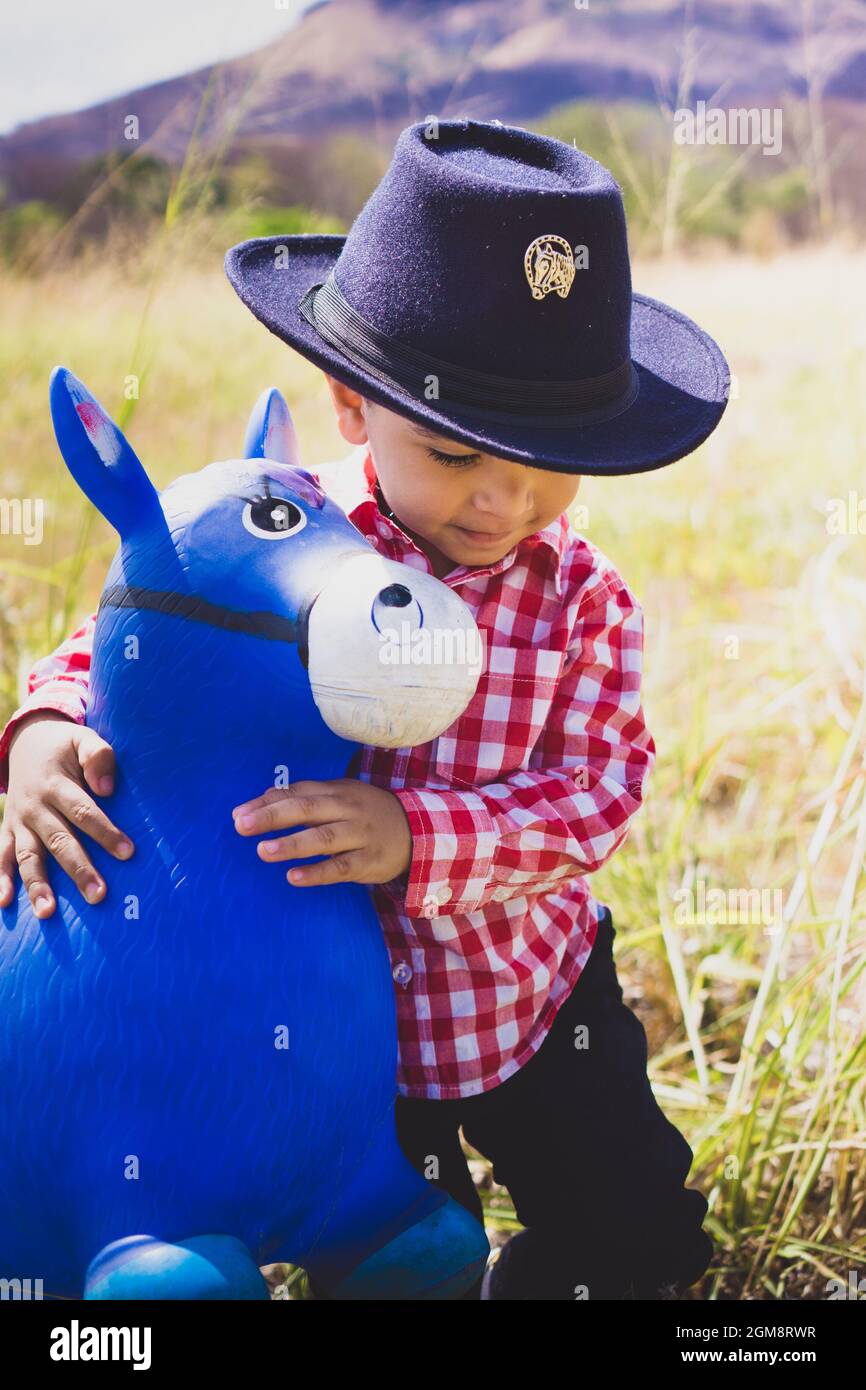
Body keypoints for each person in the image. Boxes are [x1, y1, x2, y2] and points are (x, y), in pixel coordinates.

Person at [0, 118, 729, 1300]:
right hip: (341, 1023)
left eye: (547, 461)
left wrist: (415, 839)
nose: (502, 497)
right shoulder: (294, 532)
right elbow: (143, 639)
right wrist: (42, 729)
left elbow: (601, 793)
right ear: (351, 405)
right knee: (393, 1247)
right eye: (451, 450)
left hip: (526, 995)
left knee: (636, 1234)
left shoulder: (583, 603)